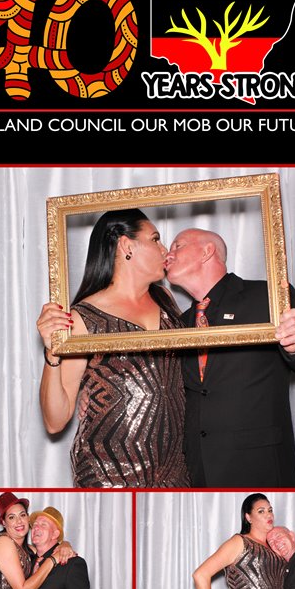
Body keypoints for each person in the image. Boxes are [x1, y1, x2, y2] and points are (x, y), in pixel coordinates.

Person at [165, 228, 295, 487]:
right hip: (199, 472)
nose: (168, 254)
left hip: (259, 467)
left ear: (207, 251)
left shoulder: (268, 297)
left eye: (178, 246)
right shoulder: (180, 323)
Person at [37, 208, 190, 488]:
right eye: (155, 239)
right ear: (127, 245)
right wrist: (52, 354)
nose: (164, 249)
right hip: (108, 474)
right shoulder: (83, 317)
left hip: (173, 471)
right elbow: (55, 421)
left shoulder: (165, 299)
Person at [193, 494, 285, 589]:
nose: (268, 515)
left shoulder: (274, 547)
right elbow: (200, 575)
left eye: (270, 510)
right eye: (261, 511)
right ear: (248, 517)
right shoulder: (239, 542)